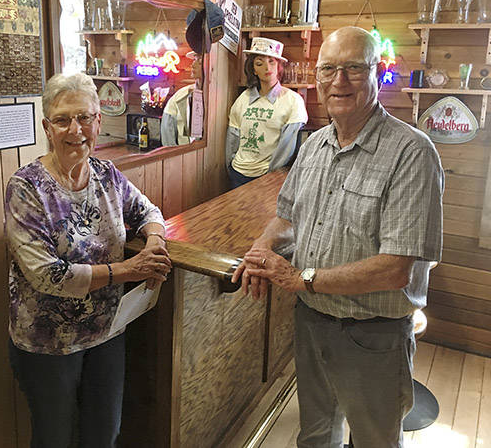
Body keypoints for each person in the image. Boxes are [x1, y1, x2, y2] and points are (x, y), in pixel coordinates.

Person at [232, 27, 444, 448]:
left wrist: (299, 279)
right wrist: (261, 249)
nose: (338, 81)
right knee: (315, 434)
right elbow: (288, 217)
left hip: (373, 335)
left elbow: (396, 269)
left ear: (377, 73)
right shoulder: (313, 146)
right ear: (316, 75)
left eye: (353, 68)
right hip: (312, 322)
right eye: (328, 68)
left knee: (374, 439)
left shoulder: (412, 153)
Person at [5, 73, 171, 448]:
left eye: (84, 118)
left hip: (105, 331)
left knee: (104, 434)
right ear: (47, 127)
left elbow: (148, 210)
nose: (75, 130)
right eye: (63, 120)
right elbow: (46, 275)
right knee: (54, 439)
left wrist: (154, 242)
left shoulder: (106, 175)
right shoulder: (26, 187)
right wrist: (128, 270)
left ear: (98, 121)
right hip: (47, 344)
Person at [226, 37, 308, 189]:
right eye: (259, 63)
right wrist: (231, 166)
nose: (267, 68)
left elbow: (288, 147)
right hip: (238, 174)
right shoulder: (242, 99)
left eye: (272, 61)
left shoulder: (292, 101)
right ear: (253, 70)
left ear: (279, 66)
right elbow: (233, 138)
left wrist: (271, 175)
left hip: (268, 177)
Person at [161, 51, 202, 146]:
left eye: (199, 61)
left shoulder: (217, 98)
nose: (193, 65)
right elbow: (168, 141)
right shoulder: (180, 97)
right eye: (194, 60)